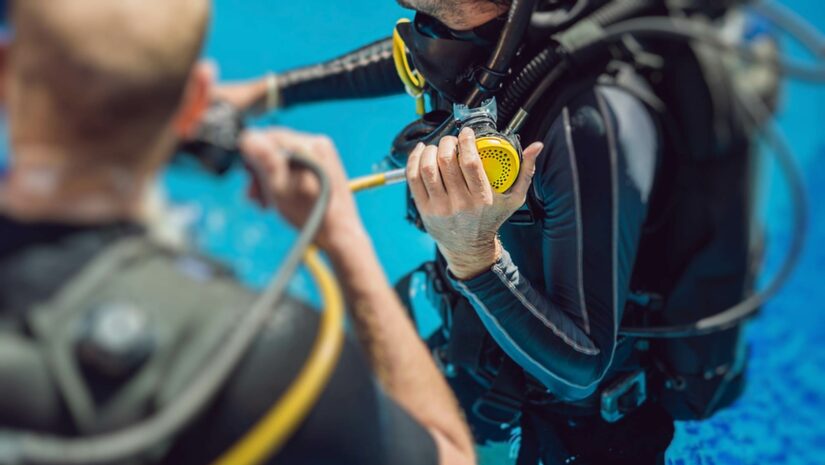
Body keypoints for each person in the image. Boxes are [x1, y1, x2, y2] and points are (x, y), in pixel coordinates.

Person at [207, 1, 775, 464]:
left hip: (573, 431)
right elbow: (411, 56)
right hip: (489, 362)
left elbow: (581, 365)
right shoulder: (491, 34)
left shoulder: (588, 123)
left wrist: (472, 253)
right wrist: (267, 91)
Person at [0, 1, 477, 465]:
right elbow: (451, 455)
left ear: (5, 74)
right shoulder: (266, 357)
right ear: (195, 103)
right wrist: (344, 239)